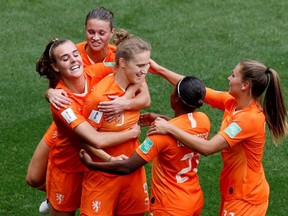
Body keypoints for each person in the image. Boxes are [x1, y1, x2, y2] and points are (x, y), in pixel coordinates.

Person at [26, 6, 150, 214]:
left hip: (92, 141)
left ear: (111, 33)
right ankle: (53, 195)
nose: (95, 38)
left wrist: (125, 101)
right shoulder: (63, 100)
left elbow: (138, 73)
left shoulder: (97, 67)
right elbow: (94, 139)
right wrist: (132, 133)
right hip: (71, 152)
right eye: (91, 32)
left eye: (75, 55)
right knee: (34, 178)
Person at [143, 59, 288, 215]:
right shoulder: (233, 102)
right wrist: (159, 69)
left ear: (245, 85)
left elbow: (208, 148)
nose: (229, 78)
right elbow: (196, 90)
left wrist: (170, 127)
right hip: (234, 191)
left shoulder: (249, 119)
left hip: (246, 198)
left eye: (233, 75)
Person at [79, 76, 210, 215]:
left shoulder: (159, 134)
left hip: (169, 206)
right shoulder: (203, 121)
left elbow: (127, 166)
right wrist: (163, 119)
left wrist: (92, 164)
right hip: (194, 199)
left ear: (176, 99)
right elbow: (184, 130)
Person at [79, 29, 151, 216]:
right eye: (140, 65)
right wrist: (109, 160)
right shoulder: (99, 99)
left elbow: (146, 98)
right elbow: (86, 139)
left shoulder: (136, 83)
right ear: (121, 63)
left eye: (147, 65)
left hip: (133, 173)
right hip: (104, 176)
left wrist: (125, 100)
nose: (145, 71)